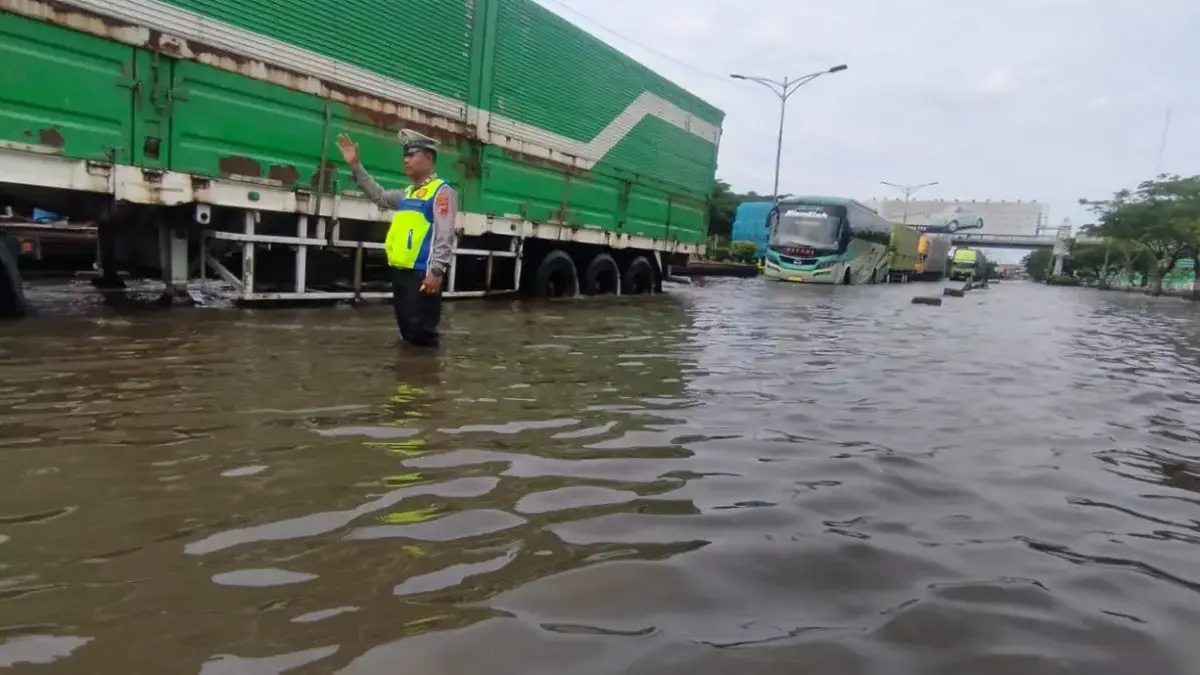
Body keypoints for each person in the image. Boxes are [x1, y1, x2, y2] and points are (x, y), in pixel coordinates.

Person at [336, 129, 457, 349]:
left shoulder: (441, 192)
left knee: (423, 334)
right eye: (405, 155)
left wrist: (436, 272)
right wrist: (355, 166)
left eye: (412, 154)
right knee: (407, 331)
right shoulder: (407, 194)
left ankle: (428, 378)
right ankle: (409, 380)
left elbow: (445, 234)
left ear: (429, 158)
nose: (406, 159)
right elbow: (379, 196)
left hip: (423, 274)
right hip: (401, 273)